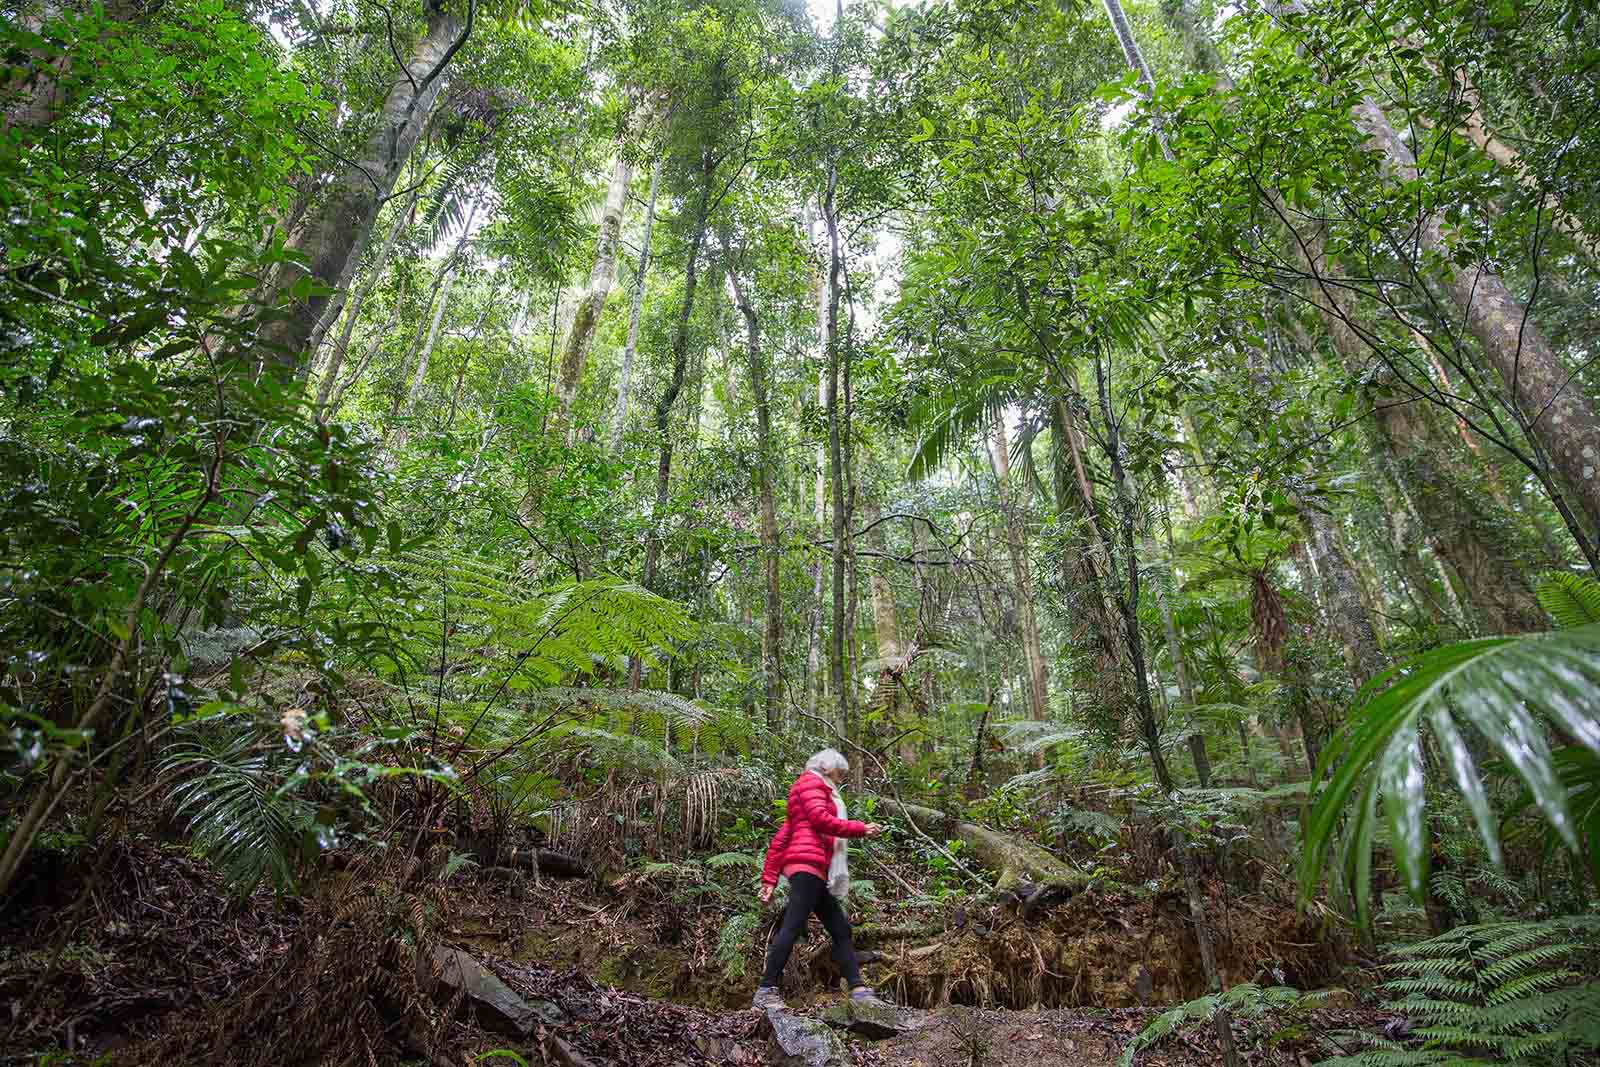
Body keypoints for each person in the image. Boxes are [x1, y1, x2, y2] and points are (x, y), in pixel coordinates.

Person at [751, 748, 890, 1010]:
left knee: (840, 928)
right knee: (792, 926)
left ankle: (858, 988)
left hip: (810, 867)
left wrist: (769, 880)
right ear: (827, 768)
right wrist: (861, 828)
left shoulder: (803, 790)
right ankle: (766, 990)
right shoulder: (813, 784)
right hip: (807, 865)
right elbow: (820, 819)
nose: (839, 781)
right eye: (839, 775)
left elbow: (782, 837)